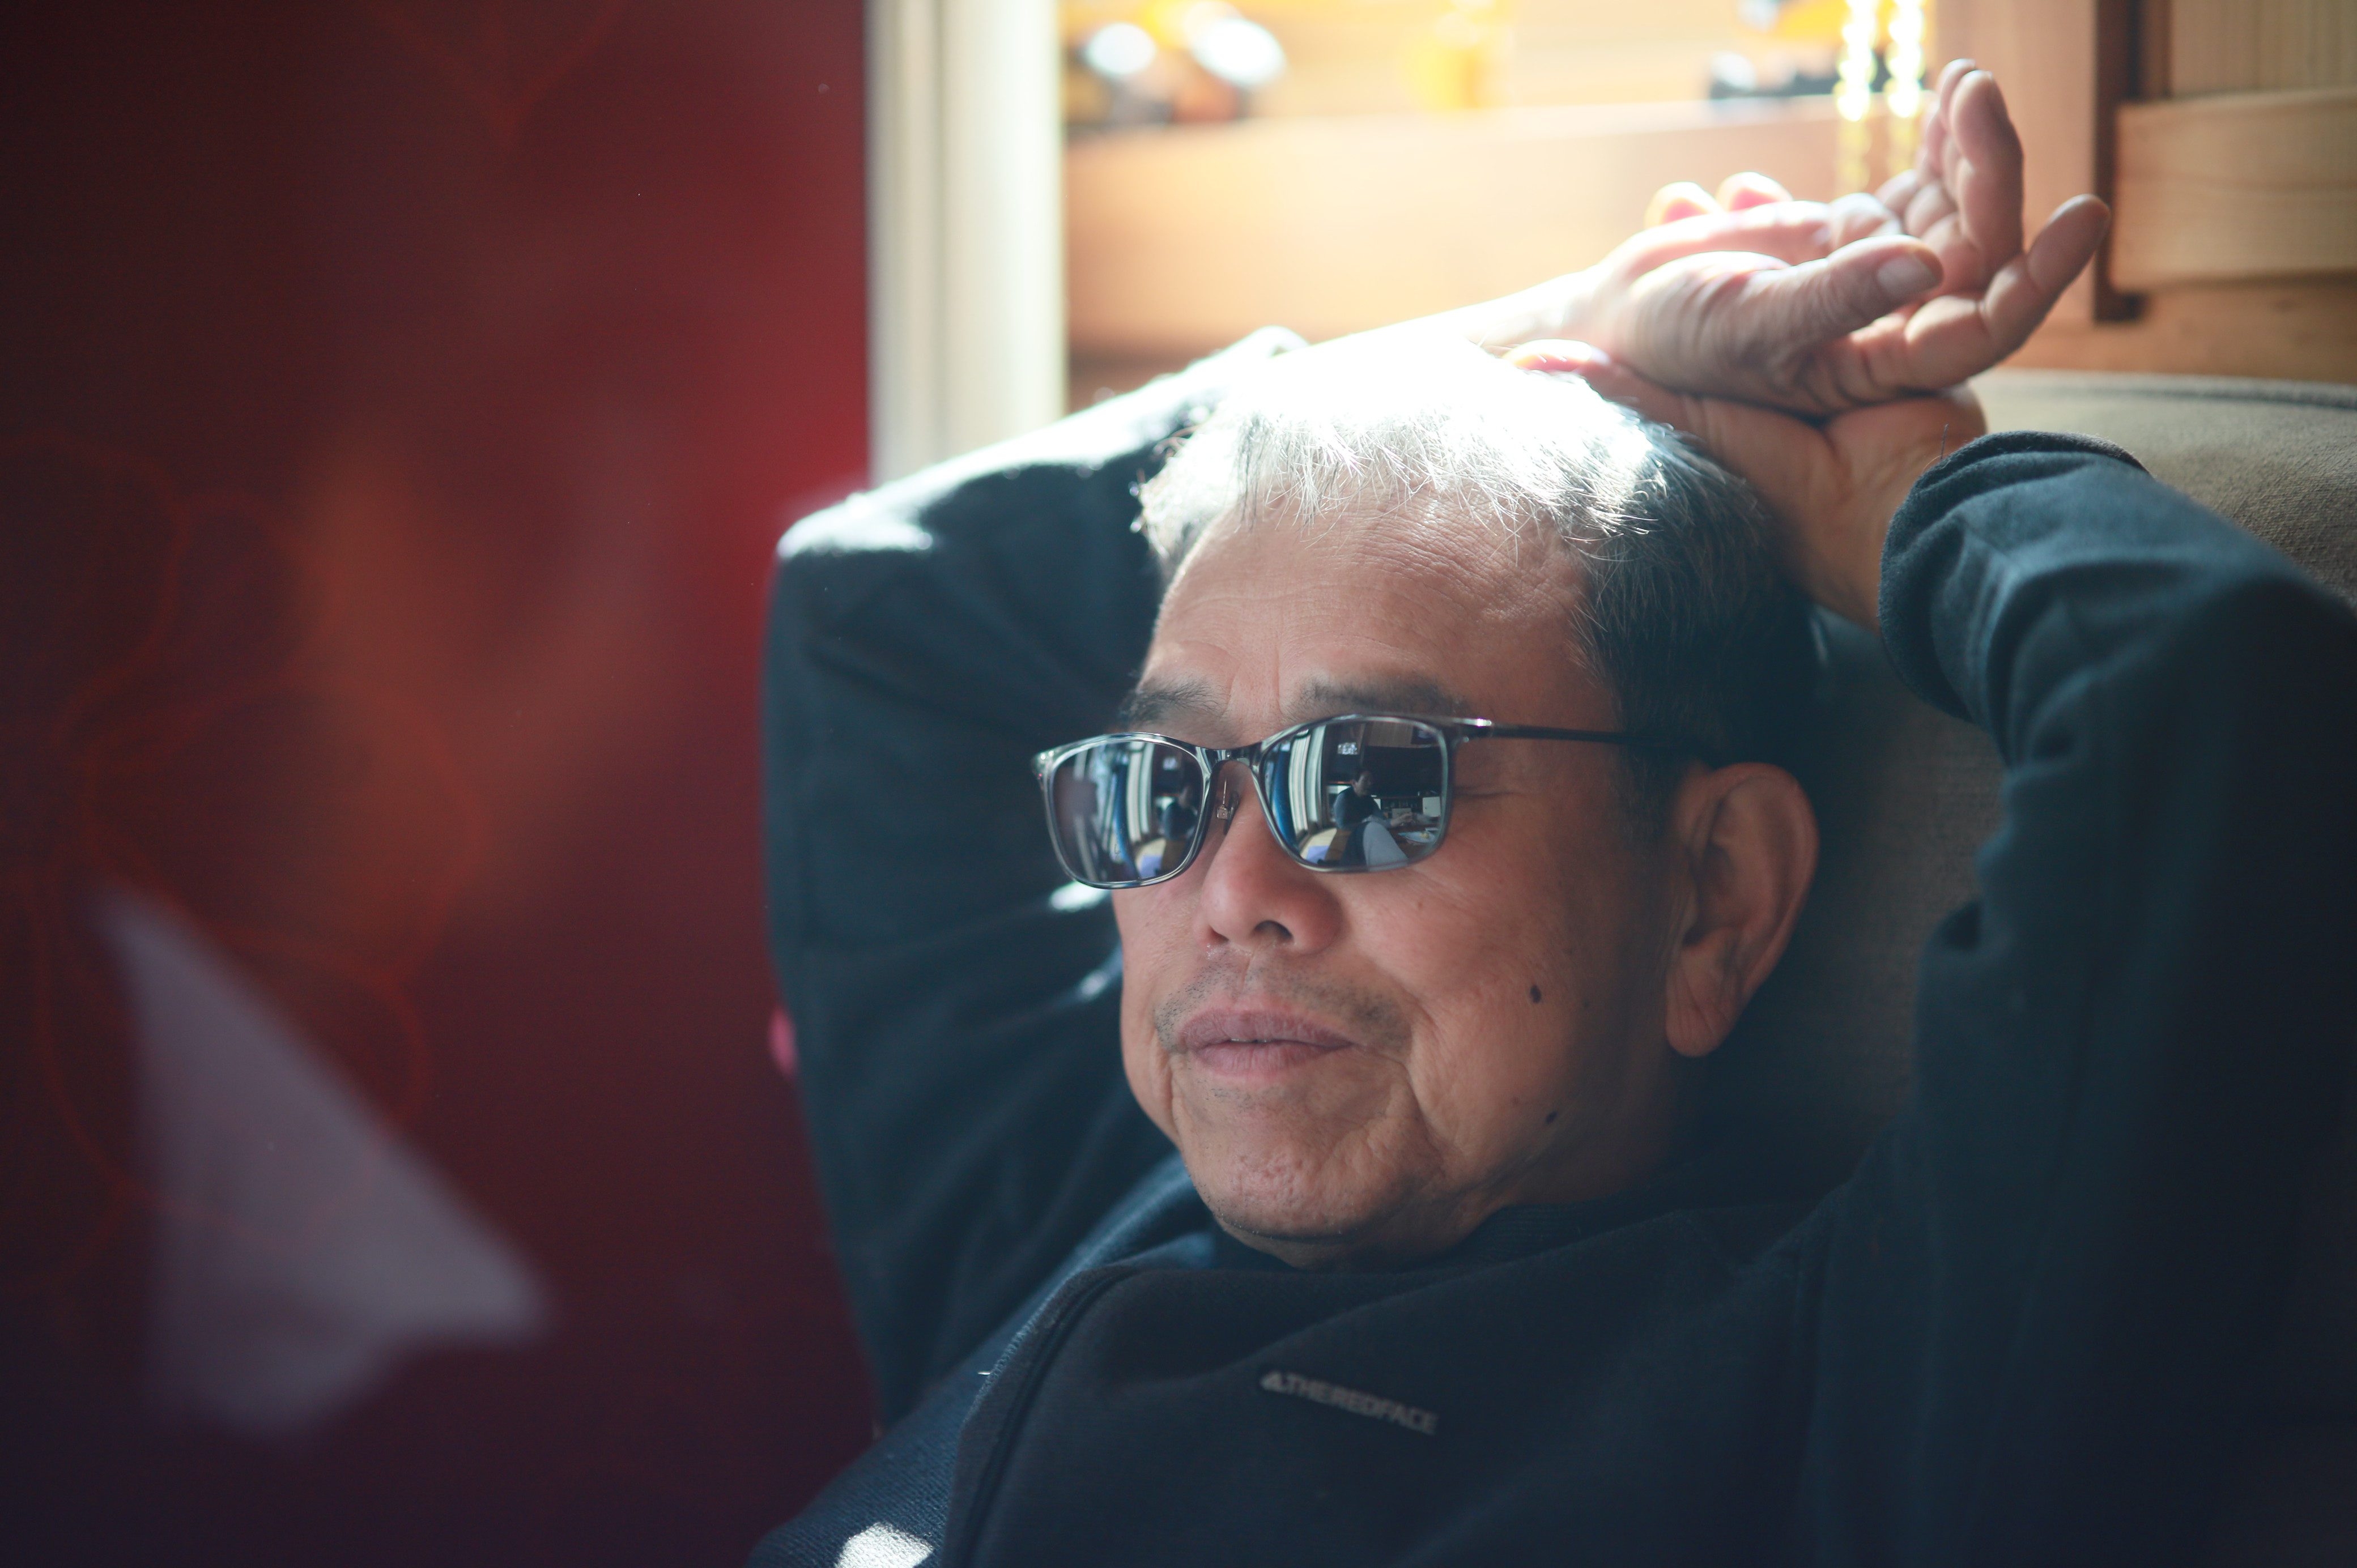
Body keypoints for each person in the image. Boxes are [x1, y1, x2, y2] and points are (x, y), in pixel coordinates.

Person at [752, 65, 2357, 1567]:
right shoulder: (1059, 1198)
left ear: (1714, 895)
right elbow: (876, 605)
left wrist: (1899, 507)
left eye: (1369, 780)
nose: (1232, 891)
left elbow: (2208, 689)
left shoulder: (1851, 1390)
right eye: (1161, 786)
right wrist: (1568, 333)